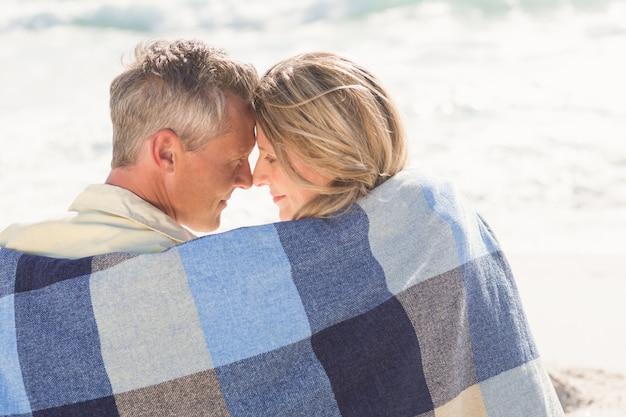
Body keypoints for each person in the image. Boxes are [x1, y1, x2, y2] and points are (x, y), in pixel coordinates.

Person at [0, 39, 258, 259]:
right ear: (166, 153)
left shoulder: (14, 245)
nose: (247, 180)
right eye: (237, 159)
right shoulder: (187, 269)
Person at [253, 51, 406, 221]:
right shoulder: (426, 212)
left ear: (333, 154)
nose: (257, 178)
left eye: (271, 158)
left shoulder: (290, 246)